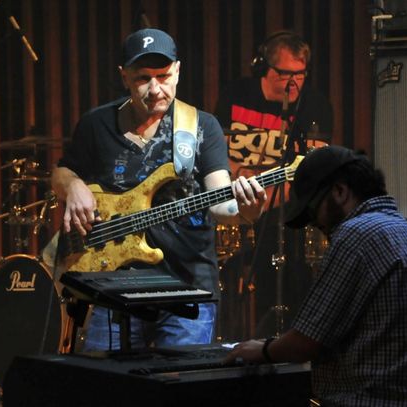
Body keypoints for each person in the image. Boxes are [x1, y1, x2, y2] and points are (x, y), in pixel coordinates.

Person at [51, 28, 267, 351]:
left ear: (178, 71)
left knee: (179, 381)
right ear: (124, 76)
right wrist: (73, 185)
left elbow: (221, 204)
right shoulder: (97, 125)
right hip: (112, 289)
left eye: (164, 76)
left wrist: (248, 210)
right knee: (102, 378)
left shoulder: (201, 126)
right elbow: (60, 172)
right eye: (143, 78)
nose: (155, 89)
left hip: (188, 288)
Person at [225, 146, 407, 406]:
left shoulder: (356, 234)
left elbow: (306, 341)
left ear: (339, 191)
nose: (314, 223)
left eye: (313, 210)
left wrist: (263, 349)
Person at [214, 30, 333, 338]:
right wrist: (239, 182)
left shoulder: (314, 105)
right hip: (232, 201)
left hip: (279, 212)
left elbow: (311, 171)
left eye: (300, 74)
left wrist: (262, 202)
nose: (293, 83)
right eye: (285, 74)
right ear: (264, 68)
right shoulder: (236, 95)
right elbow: (216, 153)